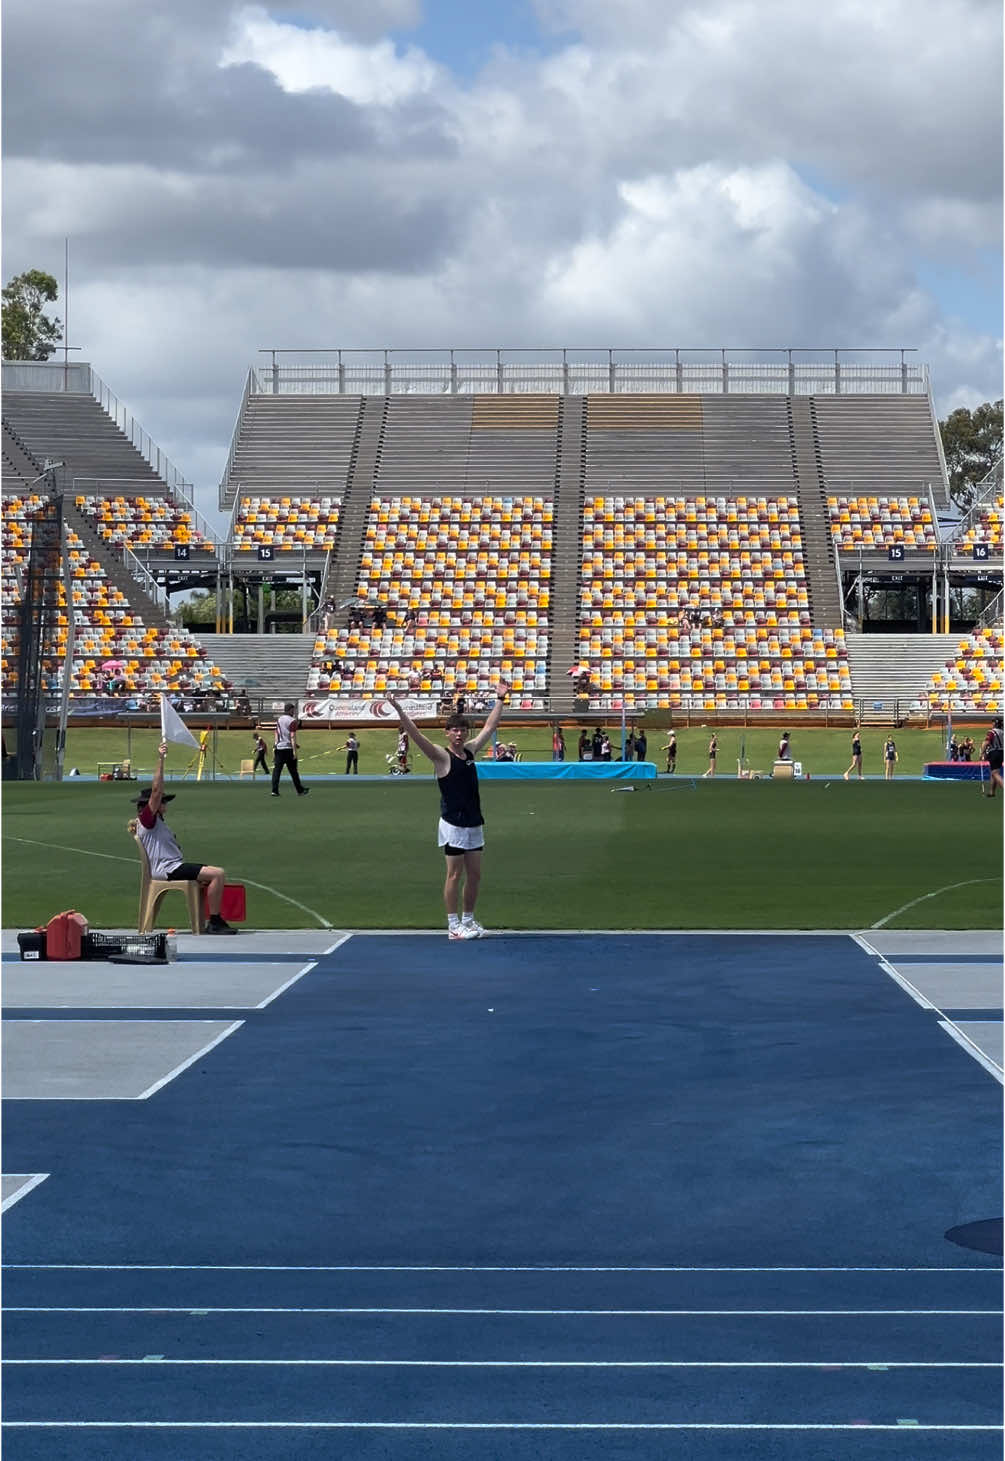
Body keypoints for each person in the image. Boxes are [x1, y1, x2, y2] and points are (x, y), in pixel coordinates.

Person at [386, 681, 510, 939]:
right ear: (447, 733)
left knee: (475, 875)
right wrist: (398, 710)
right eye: (454, 730)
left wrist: (500, 699)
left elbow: (489, 727)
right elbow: (417, 736)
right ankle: (453, 925)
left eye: (462, 730)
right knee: (454, 874)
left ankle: (469, 919)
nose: (458, 734)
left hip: (474, 821)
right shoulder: (442, 756)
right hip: (454, 823)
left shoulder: (470, 750)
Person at [132, 741, 236, 934]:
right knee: (217, 874)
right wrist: (161, 759)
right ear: (153, 804)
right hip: (168, 869)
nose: (165, 804)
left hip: (172, 866)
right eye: (163, 802)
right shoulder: (147, 819)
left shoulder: (154, 821)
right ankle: (214, 920)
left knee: (212, 874)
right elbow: (156, 791)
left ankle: (209, 918)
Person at [272, 703, 309, 797]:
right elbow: (292, 736)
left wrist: (275, 746)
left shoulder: (279, 719)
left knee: (277, 770)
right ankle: (299, 790)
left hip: (279, 747)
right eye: (293, 710)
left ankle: (274, 790)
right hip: (288, 749)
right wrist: (294, 751)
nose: (294, 712)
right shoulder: (292, 721)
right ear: (289, 710)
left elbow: (277, 733)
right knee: (293, 771)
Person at [981, 718, 1003, 798]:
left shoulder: (992, 732)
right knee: (994, 772)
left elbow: (986, 742)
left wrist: (982, 753)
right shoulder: (1002, 732)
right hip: (1001, 752)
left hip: (994, 752)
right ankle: (992, 792)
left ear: (994, 723)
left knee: (995, 773)